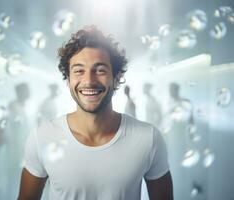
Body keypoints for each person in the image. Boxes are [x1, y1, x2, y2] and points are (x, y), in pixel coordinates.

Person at [18, 26, 173, 200]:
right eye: (78, 71)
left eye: (100, 70)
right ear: (68, 79)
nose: (89, 81)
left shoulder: (148, 138)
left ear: (116, 78)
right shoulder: (42, 137)